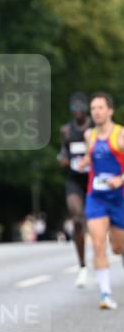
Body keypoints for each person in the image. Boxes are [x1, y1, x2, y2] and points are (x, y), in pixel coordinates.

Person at [79, 92, 124, 310]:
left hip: (119, 198)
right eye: (93, 108)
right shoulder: (89, 135)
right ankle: (105, 294)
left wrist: (120, 179)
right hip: (96, 197)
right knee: (98, 244)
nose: (96, 112)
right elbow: (92, 156)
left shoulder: (121, 135)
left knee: (118, 247)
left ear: (110, 110)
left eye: (100, 107)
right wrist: (84, 163)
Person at [58, 92, 92, 286]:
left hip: (94, 179)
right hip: (74, 180)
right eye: (73, 107)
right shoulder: (66, 130)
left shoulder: (94, 128)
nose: (77, 111)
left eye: (81, 107)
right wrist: (63, 159)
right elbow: (63, 151)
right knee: (77, 216)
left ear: (86, 108)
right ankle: (82, 266)